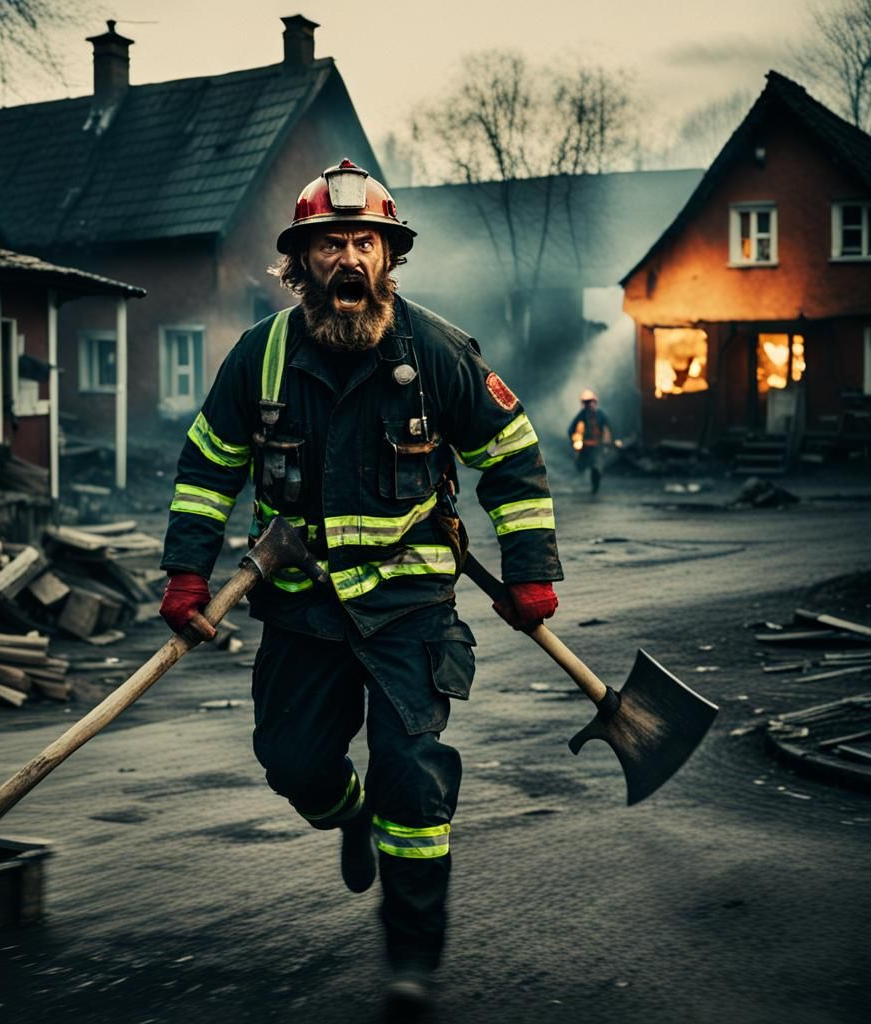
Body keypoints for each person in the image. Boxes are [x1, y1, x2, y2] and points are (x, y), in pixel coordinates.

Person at [159, 159, 562, 1015]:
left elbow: (513, 458)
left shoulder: (442, 353)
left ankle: (411, 960)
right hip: (302, 613)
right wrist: (187, 570)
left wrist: (529, 574)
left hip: (409, 613)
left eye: (365, 243)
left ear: (390, 258)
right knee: (292, 762)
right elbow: (207, 469)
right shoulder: (258, 360)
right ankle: (344, 815)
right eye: (331, 244)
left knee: (412, 786)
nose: (349, 260)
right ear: (299, 263)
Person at [568, 389, 613, 493]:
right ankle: (588, 480)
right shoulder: (582, 415)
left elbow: (607, 429)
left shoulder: (600, 414)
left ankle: (595, 486)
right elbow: (571, 429)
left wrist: (607, 444)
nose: (589, 405)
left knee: (596, 467)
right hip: (586, 446)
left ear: (594, 402)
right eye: (586, 403)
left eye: (590, 402)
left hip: (597, 446)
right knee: (582, 465)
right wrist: (574, 441)